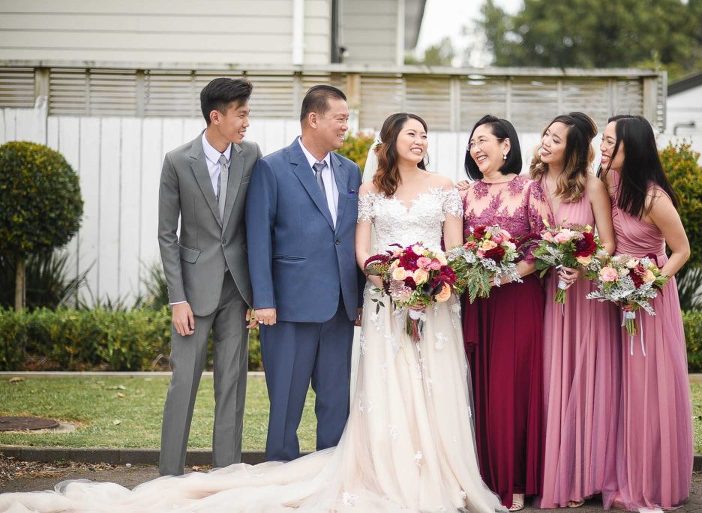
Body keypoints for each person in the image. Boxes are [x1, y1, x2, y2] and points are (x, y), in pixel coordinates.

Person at [0, 113, 507, 513]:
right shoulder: (347, 182)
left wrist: (430, 282)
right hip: (372, 297)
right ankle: (327, 468)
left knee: (399, 391)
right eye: (411, 132)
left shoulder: (410, 181)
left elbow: (453, 248)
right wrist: (387, 280)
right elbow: (334, 244)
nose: (420, 139)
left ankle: (434, 474)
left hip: (415, 302)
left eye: (425, 133)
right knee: (348, 393)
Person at [246, 84, 363, 462]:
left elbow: (351, 237)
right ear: (314, 118)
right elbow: (258, 238)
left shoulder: (351, 172)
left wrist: (358, 298)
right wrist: (262, 300)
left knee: (335, 403)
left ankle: (330, 477)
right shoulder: (271, 168)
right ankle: (280, 475)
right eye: (340, 119)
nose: (346, 127)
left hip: (340, 308)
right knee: (285, 404)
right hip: (289, 308)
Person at [157, 77, 262, 476]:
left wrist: (259, 294)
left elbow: (255, 225)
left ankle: (227, 475)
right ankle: (168, 475)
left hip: (236, 290)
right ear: (216, 116)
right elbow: (167, 235)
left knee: (232, 385)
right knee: (183, 382)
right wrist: (176, 299)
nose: (247, 121)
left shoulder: (251, 155)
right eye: (242, 114)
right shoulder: (177, 161)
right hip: (192, 293)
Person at [599, 115, 693, 512]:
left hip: (649, 296)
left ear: (630, 148)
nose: (602, 148)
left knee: (647, 385)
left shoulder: (655, 198)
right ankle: (621, 468)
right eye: (602, 140)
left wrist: (646, 285)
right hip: (616, 289)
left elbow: (682, 251)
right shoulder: (607, 179)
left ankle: (650, 477)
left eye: (609, 142)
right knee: (621, 384)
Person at [460, 115, 553, 511]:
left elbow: (547, 244)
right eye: (471, 143)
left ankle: (515, 480)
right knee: (480, 387)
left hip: (519, 300)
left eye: (482, 140)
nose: (475, 148)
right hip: (479, 302)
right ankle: (482, 477)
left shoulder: (531, 189)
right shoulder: (465, 194)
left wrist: (510, 273)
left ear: (506, 146)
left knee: (513, 386)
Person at [529, 113, 621, 509]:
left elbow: (608, 243)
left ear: (574, 149)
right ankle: (549, 473)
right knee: (549, 378)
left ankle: (585, 476)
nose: (546, 142)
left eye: (556, 139)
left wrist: (583, 262)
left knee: (583, 382)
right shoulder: (529, 185)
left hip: (582, 298)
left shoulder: (592, 186)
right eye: (546, 135)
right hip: (542, 293)